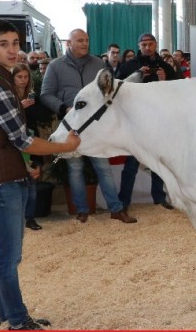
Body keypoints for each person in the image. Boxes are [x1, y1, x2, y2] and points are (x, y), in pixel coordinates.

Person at [0, 19, 80, 330]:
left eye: (16, 43)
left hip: (5, 173)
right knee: (10, 253)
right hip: (1, 178)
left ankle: (10, 314)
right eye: (4, 44)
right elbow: (22, 139)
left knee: (9, 252)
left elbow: (12, 139)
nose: (13, 50)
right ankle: (17, 320)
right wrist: (65, 146)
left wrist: (28, 162)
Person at [40, 29, 137, 224]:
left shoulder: (99, 64)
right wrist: (63, 108)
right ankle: (82, 210)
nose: (85, 44)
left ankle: (116, 209)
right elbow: (46, 94)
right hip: (71, 124)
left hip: (95, 126)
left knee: (103, 167)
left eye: (86, 40)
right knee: (75, 168)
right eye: (80, 40)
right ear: (69, 43)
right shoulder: (55, 66)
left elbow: (108, 92)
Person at [115, 33, 176, 211]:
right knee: (131, 165)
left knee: (158, 163)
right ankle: (124, 201)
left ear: (156, 45)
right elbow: (118, 88)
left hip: (159, 121)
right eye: (144, 45)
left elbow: (176, 93)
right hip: (135, 122)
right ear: (138, 46)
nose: (147, 47)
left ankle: (159, 197)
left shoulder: (165, 66)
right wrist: (137, 76)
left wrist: (164, 80)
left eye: (150, 44)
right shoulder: (129, 66)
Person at [12, 63, 45, 231]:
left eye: (26, 77)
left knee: (32, 183)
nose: (23, 80)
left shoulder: (33, 95)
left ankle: (30, 218)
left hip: (31, 140)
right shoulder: (8, 97)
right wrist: (19, 106)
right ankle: (14, 219)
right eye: (19, 77)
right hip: (13, 142)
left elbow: (40, 117)